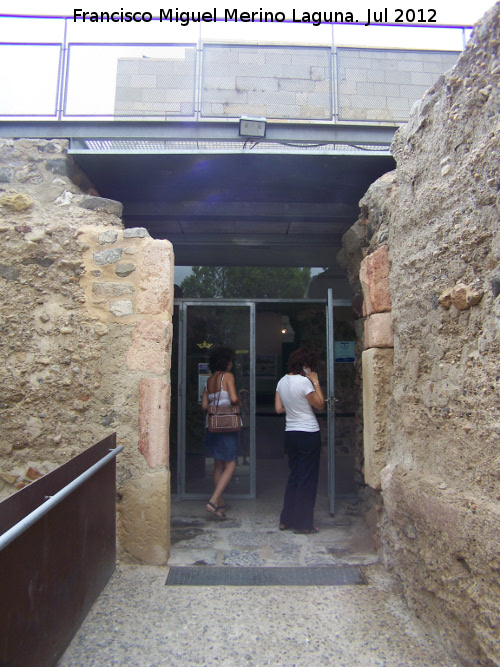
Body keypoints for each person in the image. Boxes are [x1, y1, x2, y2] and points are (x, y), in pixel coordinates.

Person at [275, 348, 325, 534]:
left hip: (291, 433)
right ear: (305, 365)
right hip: (308, 432)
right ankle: (304, 524)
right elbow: (320, 404)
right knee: (307, 480)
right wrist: (316, 382)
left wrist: (294, 406)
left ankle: (285, 519)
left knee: (295, 476)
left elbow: (278, 408)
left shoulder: (281, 382)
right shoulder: (305, 382)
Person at [202, 345, 241, 520]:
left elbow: (204, 406)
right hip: (226, 425)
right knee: (231, 463)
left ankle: (220, 504)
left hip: (212, 425)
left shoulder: (209, 380)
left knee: (218, 464)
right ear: (226, 362)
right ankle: (213, 501)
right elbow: (233, 398)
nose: (232, 364)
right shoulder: (228, 376)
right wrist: (239, 401)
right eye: (231, 361)